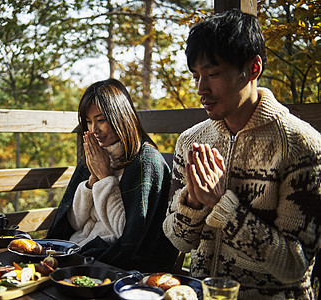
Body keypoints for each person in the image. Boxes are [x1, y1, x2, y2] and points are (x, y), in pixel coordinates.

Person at [162, 9, 321, 299]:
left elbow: (295, 266)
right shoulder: (190, 141)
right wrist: (193, 203)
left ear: (253, 68)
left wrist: (223, 206)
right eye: (196, 75)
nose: (201, 88)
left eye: (212, 73)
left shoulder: (301, 145)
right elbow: (178, 240)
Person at [47, 78, 179, 272]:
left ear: (121, 118)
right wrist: (92, 182)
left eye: (101, 120)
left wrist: (106, 178)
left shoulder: (146, 162)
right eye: (88, 122)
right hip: (78, 249)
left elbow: (126, 235)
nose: (94, 130)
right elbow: (74, 223)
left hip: (112, 259)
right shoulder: (95, 155)